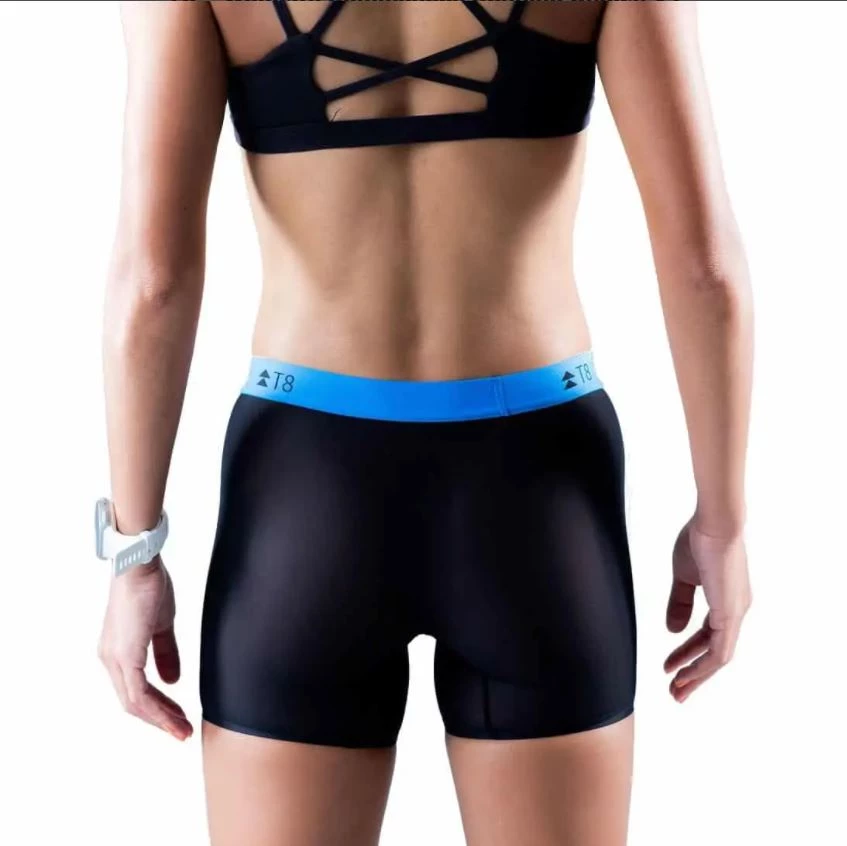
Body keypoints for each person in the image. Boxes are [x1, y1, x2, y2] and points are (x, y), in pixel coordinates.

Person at [95, 2, 753, 844]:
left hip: (305, 482)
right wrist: (721, 526)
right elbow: (704, 270)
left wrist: (134, 554)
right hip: (536, 481)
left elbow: (151, 284)